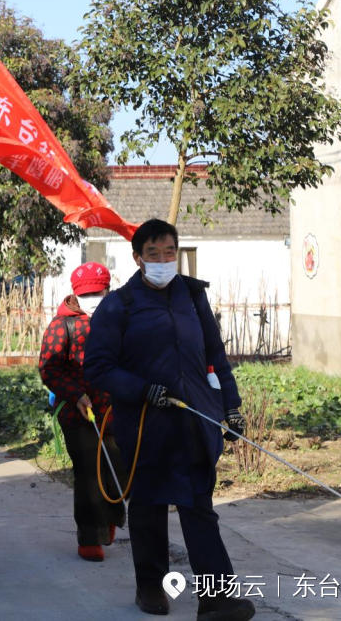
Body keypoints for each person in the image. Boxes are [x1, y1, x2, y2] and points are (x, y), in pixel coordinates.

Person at [83, 219, 255, 621]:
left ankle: (217, 599)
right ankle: (151, 588)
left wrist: (230, 406)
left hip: (194, 420)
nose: (162, 260)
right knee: (148, 507)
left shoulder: (193, 298)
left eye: (169, 253)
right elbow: (98, 367)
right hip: (144, 424)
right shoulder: (119, 305)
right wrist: (141, 389)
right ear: (137, 258)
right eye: (153, 254)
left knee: (199, 506)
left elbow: (216, 356)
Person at [38, 262, 124, 563]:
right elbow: (48, 368)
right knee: (89, 473)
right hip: (79, 412)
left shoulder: (120, 319)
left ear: (108, 290)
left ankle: (109, 518)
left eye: (98, 293)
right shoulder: (63, 326)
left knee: (119, 467)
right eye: (86, 294)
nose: (93, 299)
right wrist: (76, 394)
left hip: (116, 409)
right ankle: (90, 538)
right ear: (75, 294)